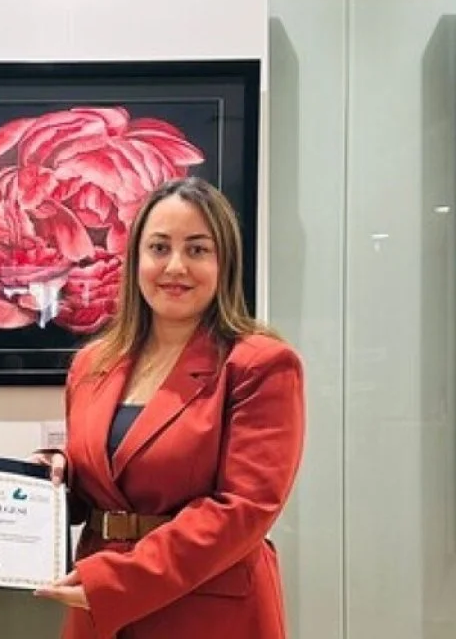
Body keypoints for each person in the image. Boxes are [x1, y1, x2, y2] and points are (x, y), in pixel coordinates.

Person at [32, 176, 305, 639]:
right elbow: (101, 482)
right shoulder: (92, 365)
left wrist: (117, 580)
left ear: (224, 262)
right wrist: (53, 475)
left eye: (197, 249)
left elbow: (244, 509)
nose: (175, 266)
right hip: (98, 608)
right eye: (159, 248)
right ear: (135, 260)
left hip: (207, 610)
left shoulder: (260, 364)